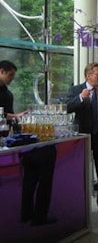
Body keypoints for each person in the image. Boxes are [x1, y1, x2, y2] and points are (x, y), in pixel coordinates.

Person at [0, 60, 56, 226]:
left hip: (9, 135)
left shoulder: (5, 90)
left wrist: (16, 116)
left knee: (30, 174)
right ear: (1, 71)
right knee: (43, 162)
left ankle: (28, 214)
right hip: (5, 135)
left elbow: (6, 113)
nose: (11, 78)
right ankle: (36, 215)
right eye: (10, 75)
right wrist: (15, 116)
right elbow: (3, 114)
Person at [66, 62, 98, 219]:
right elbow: (66, 107)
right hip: (84, 137)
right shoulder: (76, 90)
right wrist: (81, 97)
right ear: (88, 76)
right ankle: (80, 206)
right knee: (81, 172)